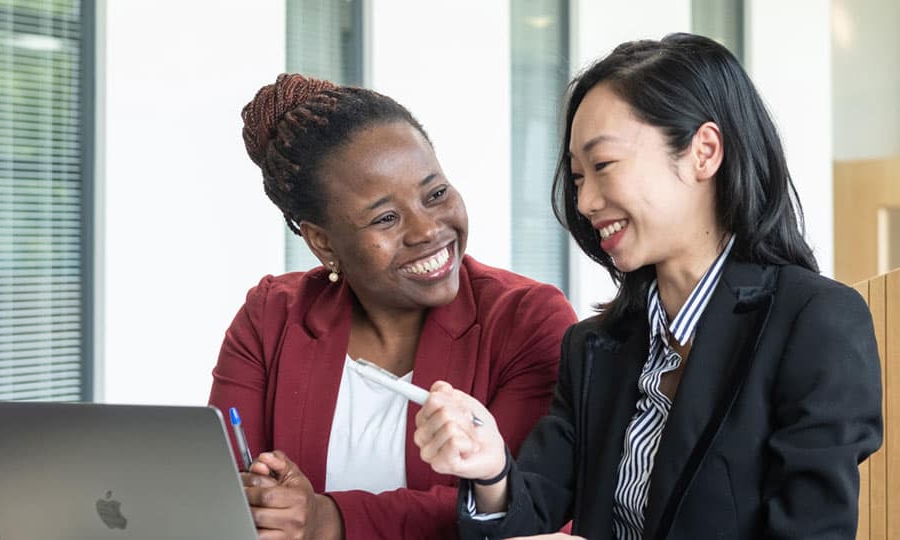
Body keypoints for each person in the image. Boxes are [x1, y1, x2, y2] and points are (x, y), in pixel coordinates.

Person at [415, 33, 883, 539]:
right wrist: (490, 470)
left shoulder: (815, 322)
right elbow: (534, 509)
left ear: (703, 152)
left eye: (603, 166)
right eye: (576, 178)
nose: (587, 201)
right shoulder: (593, 346)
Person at [208, 73, 577, 539]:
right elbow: (224, 496)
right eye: (385, 217)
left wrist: (327, 518)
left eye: (436, 193)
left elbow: (528, 505)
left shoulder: (527, 320)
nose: (427, 229)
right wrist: (263, 503)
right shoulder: (271, 318)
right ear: (323, 243)